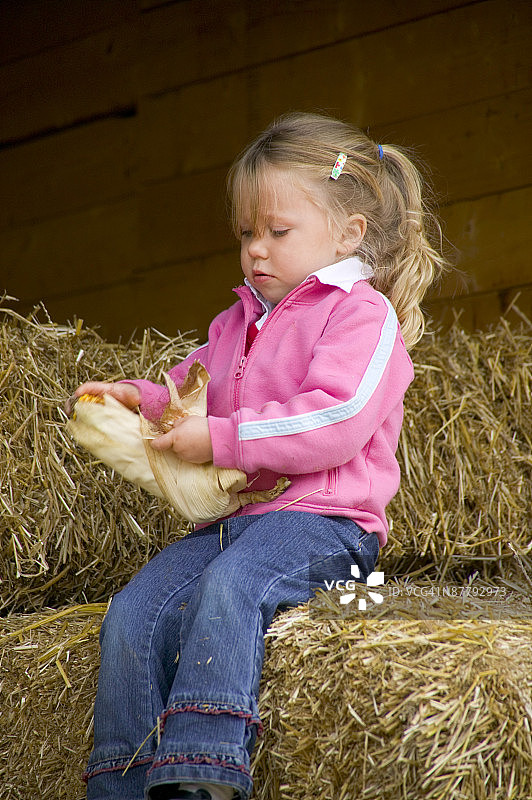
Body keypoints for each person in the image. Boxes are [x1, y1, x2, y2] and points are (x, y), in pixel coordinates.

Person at [72, 112, 446, 800]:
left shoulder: (361, 317)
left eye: (277, 232)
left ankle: (201, 773)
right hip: (234, 523)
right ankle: (117, 782)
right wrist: (138, 400)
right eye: (247, 234)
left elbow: (335, 420)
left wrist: (222, 441)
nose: (256, 251)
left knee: (230, 587)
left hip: (323, 524)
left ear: (347, 233)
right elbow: (195, 396)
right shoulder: (235, 323)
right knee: (133, 610)